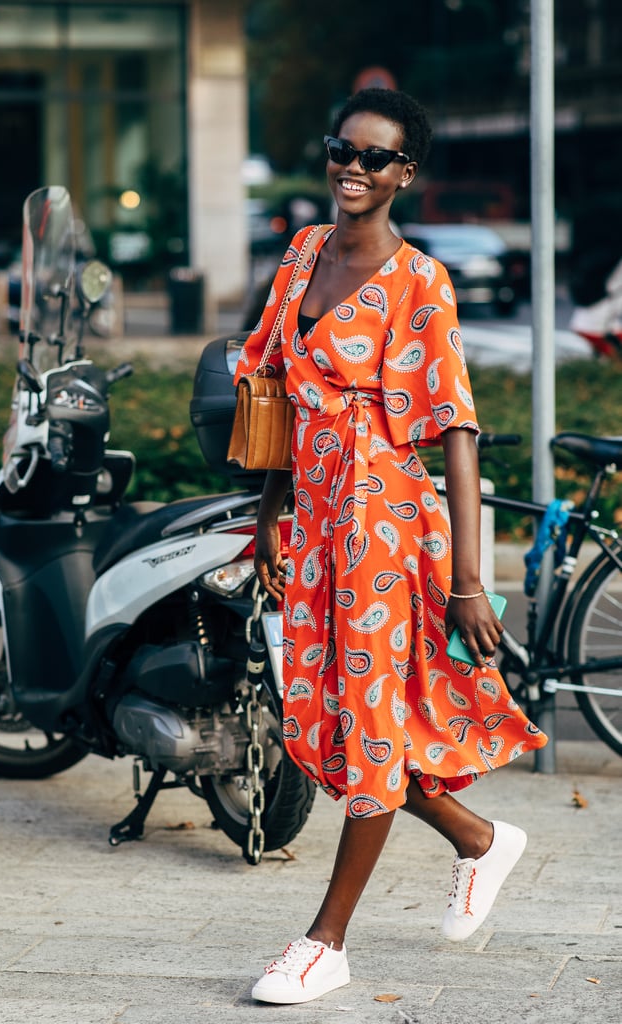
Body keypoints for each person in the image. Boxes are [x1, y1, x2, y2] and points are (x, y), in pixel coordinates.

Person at [234, 87, 548, 1006]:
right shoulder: (300, 255)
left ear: (404, 173)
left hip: (382, 526)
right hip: (314, 520)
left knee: (367, 723)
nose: (354, 168)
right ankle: (481, 841)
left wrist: (468, 582)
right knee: (334, 722)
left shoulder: (419, 282)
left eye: (376, 157)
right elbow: (273, 395)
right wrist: (268, 513)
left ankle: (324, 941)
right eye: (343, 148)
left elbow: (454, 428)